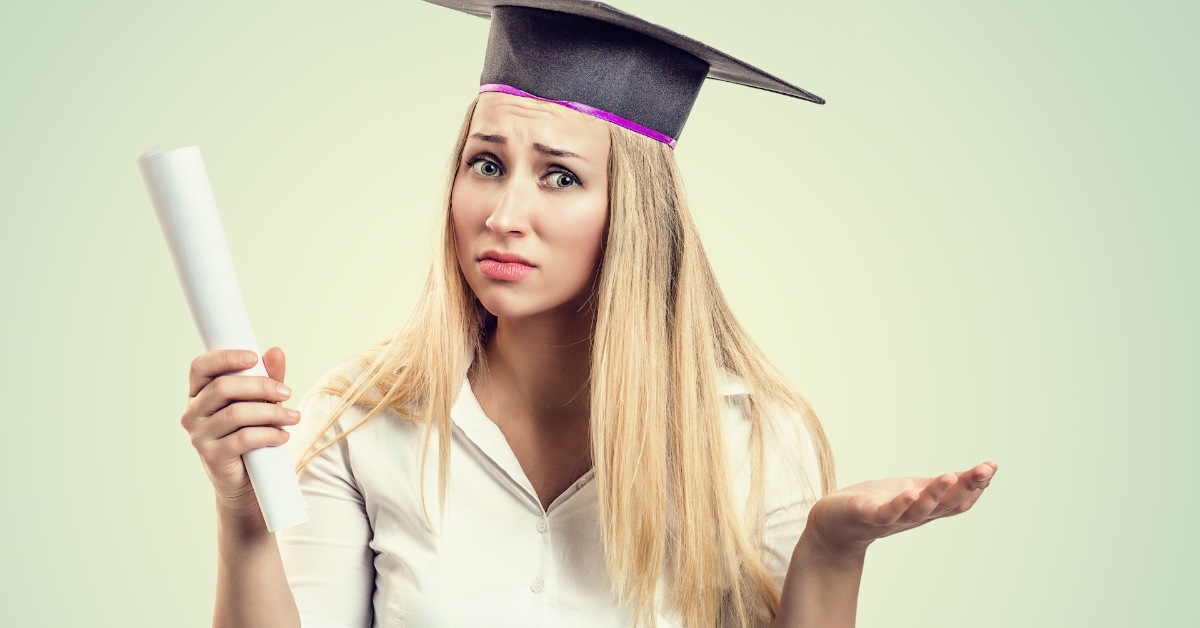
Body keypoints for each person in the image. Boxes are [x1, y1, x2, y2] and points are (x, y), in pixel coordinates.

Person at [179, 2, 997, 627]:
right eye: (487, 164)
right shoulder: (364, 416)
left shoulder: (750, 436)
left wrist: (831, 548)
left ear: (631, 213)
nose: (504, 213)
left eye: (560, 177)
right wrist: (245, 518)